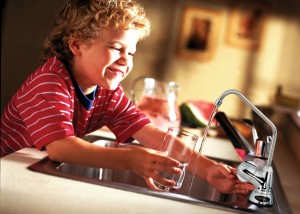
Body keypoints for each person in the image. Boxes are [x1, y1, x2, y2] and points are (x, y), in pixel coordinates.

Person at [1, 0, 254, 194]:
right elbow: (61, 148)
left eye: (131, 52)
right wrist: (130, 159)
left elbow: (151, 133)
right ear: (77, 45)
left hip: (29, 176)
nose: (125, 61)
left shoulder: (108, 92)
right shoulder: (49, 82)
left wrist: (208, 170)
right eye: (115, 48)